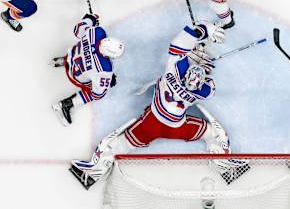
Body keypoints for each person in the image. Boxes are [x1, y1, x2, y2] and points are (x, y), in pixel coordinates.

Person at [69, 21, 237, 189]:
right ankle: (221, 163)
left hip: (151, 123)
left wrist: (204, 30)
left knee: (121, 144)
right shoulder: (203, 91)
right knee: (214, 134)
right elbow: (209, 86)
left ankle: (96, 170)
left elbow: (177, 45)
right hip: (177, 127)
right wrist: (204, 69)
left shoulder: (173, 71)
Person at [51, 14, 124, 126]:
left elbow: (77, 30)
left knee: (79, 52)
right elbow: (98, 92)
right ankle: (67, 104)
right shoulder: (105, 69)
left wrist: (90, 20)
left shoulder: (97, 32)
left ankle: (63, 60)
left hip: (70, 57)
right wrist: (108, 81)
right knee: (100, 93)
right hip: (74, 75)